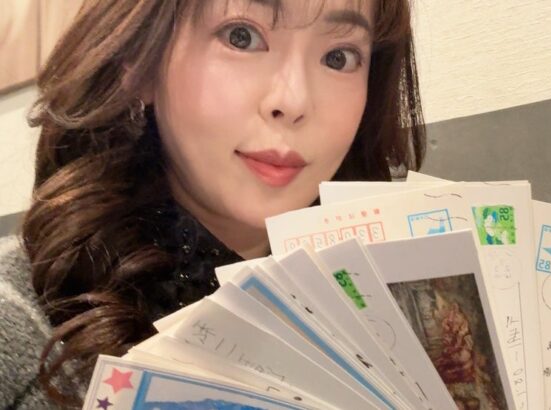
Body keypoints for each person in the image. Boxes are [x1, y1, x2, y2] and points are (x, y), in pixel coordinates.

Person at [0, 0, 425, 408]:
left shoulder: (399, 310)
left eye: (338, 58)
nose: (293, 101)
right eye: (241, 36)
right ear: (140, 61)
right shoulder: (18, 330)